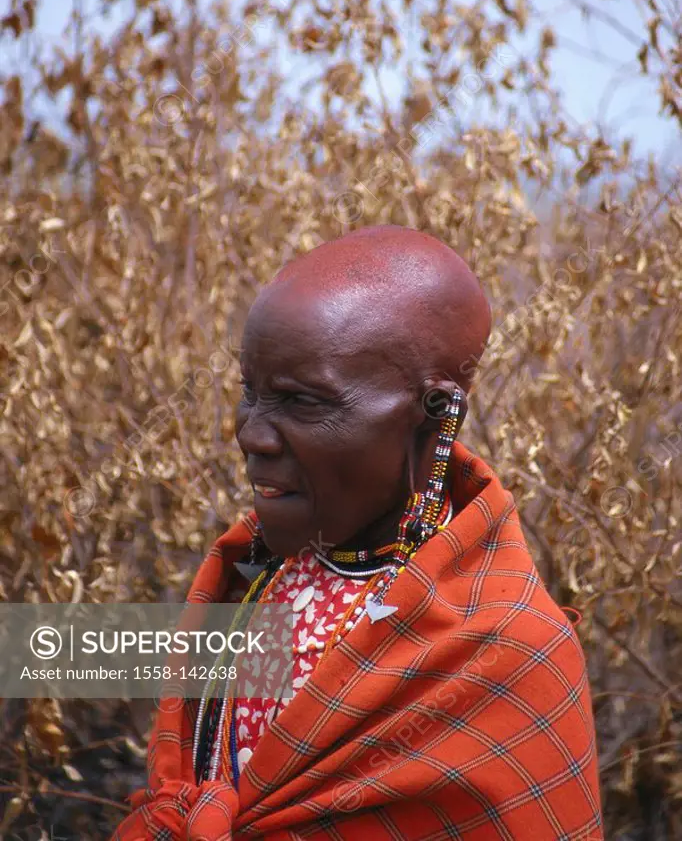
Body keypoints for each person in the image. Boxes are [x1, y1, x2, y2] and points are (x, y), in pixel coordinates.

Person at [111, 224, 603, 840]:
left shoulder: (508, 651)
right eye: (250, 393)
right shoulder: (252, 581)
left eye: (303, 401)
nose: (251, 434)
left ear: (434, 418)